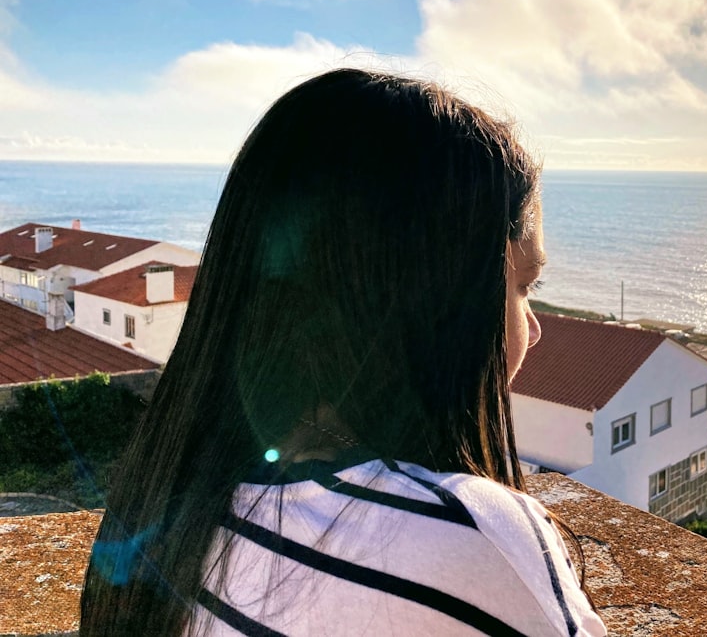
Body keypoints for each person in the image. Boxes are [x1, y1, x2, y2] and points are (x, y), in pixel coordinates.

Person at [79, 69, 606, 636]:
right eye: (524, 285)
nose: (535, 325)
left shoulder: (162, 504)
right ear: (433, 299)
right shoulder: (471, 539)